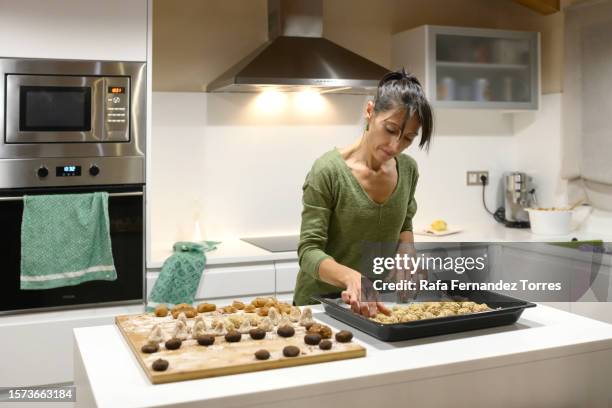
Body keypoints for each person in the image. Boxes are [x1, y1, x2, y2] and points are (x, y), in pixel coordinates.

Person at [293, 69, 434, 317]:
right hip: (321, 308)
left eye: (408, 138)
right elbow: (308, 251)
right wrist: (351, 278)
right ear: (370, 111)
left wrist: (407, 251)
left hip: (378, 305)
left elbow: (405, 220)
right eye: (390, 130)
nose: (395, 146)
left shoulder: (408, 169)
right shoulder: (327, 171)